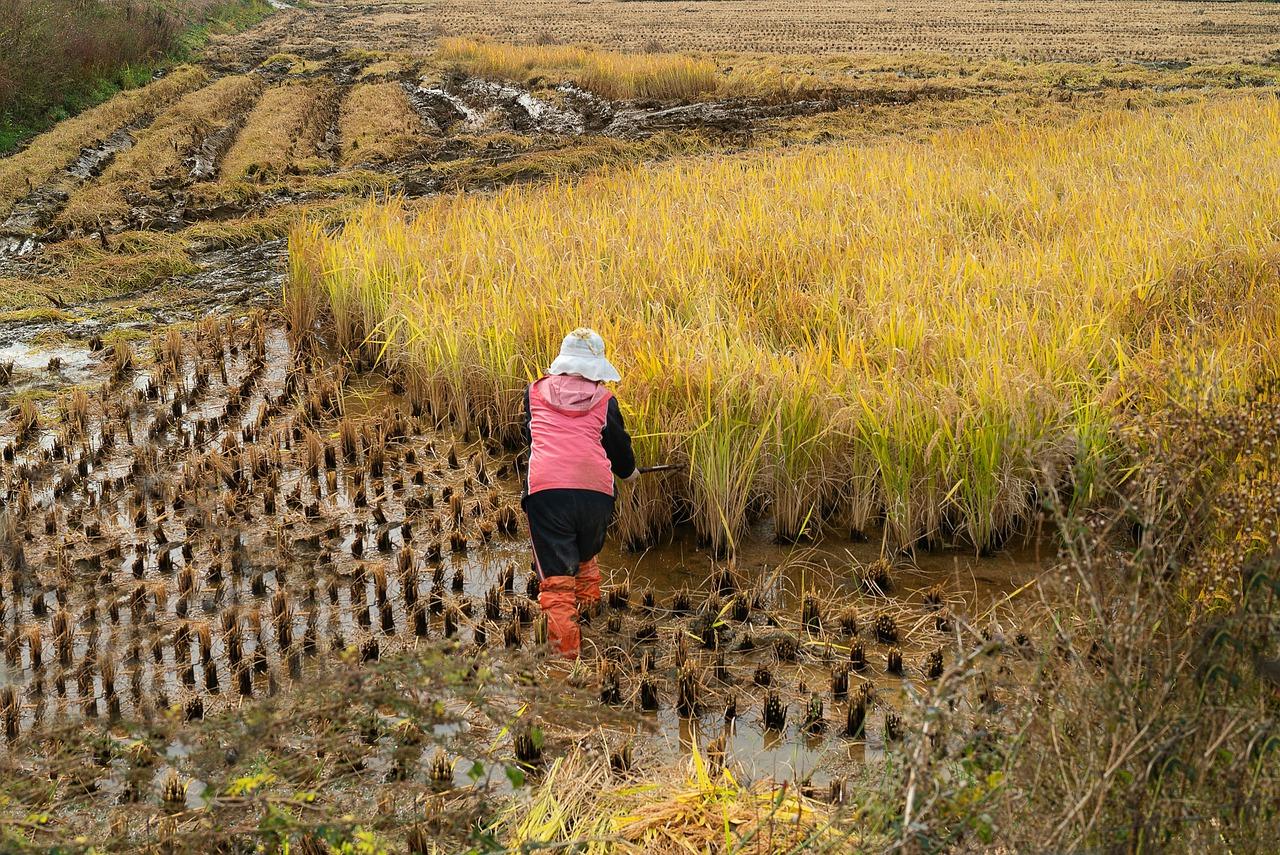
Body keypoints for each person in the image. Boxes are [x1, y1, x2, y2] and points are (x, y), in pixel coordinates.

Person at [522, 328, 638, 660]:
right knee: (585, 556)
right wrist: (630, 473)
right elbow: (620, 450)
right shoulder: (605, 401)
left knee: (557, 585)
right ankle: (591, 617)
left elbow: (532, 438)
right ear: (596, 368)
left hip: (547, 494)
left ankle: (566, 663)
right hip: (596, 496)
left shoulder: (533, 392)